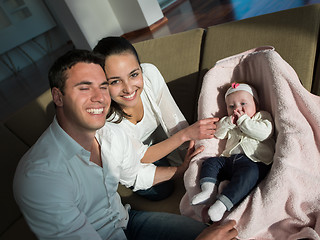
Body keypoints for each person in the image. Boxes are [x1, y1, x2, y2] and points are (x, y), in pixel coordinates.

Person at [13, 49, 237, 240]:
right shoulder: (40, 177)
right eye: (84, 88)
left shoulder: (109, 133)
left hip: (128, 222)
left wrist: (181, 170)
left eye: (102, 86)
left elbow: (137, 174)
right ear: (58, 97)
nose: (99, 97)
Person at [93, 36, 218, 200]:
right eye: (115, 81)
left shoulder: (150, 74)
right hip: (130, 160)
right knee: (161, 191)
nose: (129, 88)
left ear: (140, 68)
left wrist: (194, 157)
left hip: (158, 143)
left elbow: (174, 121)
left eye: (134, 74)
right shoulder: (104, 120)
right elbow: (141, 156)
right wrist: (185, 138)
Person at [191, 82, 275, 222]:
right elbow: (218, 133)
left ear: (257, 105)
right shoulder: (230, 121)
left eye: (243, 104)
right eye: (231, 106)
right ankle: (208, 190)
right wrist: (228, 122)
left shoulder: (262, 117)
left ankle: (222, 204)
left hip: (254, 162)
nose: (237, 109)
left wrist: (243, 121)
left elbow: (264, 134)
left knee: (249, 176)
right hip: (229, 159)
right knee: (211, 163)